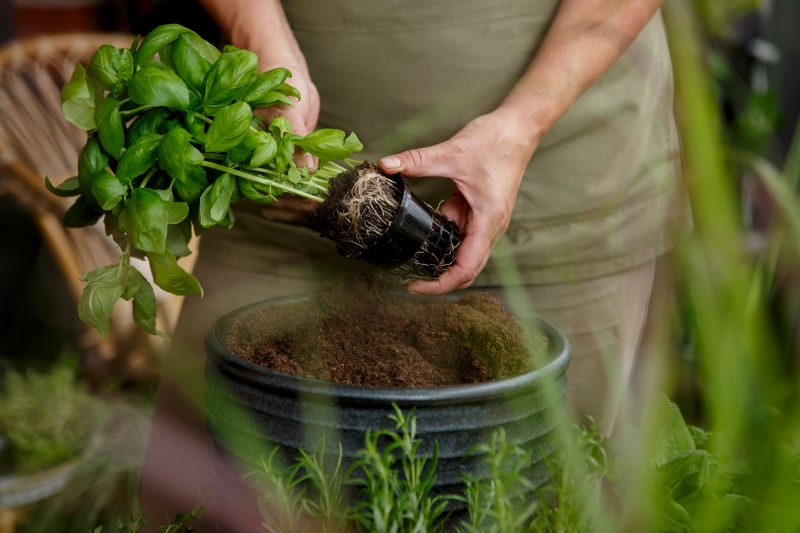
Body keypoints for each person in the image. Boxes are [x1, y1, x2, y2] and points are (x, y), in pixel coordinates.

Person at [142, 0, 688, 529]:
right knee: (204, 499)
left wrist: (522, 125)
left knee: (534, 505)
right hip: (287, 187)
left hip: (557, 198)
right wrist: (259, 36)